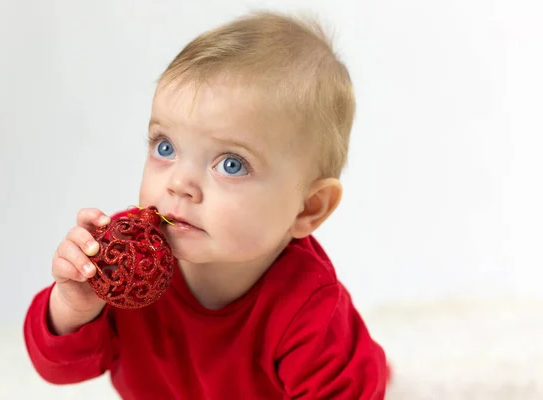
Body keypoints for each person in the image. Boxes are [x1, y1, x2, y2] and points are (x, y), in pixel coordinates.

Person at [24, 10, 389, 399]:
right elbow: (58, 370)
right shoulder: (125, 259)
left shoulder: (310, 308)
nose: (179, 183)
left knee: (365, 371)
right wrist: (73, 306)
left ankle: (381, 365)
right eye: (165, 147)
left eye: (231, 164)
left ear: (307, 208)